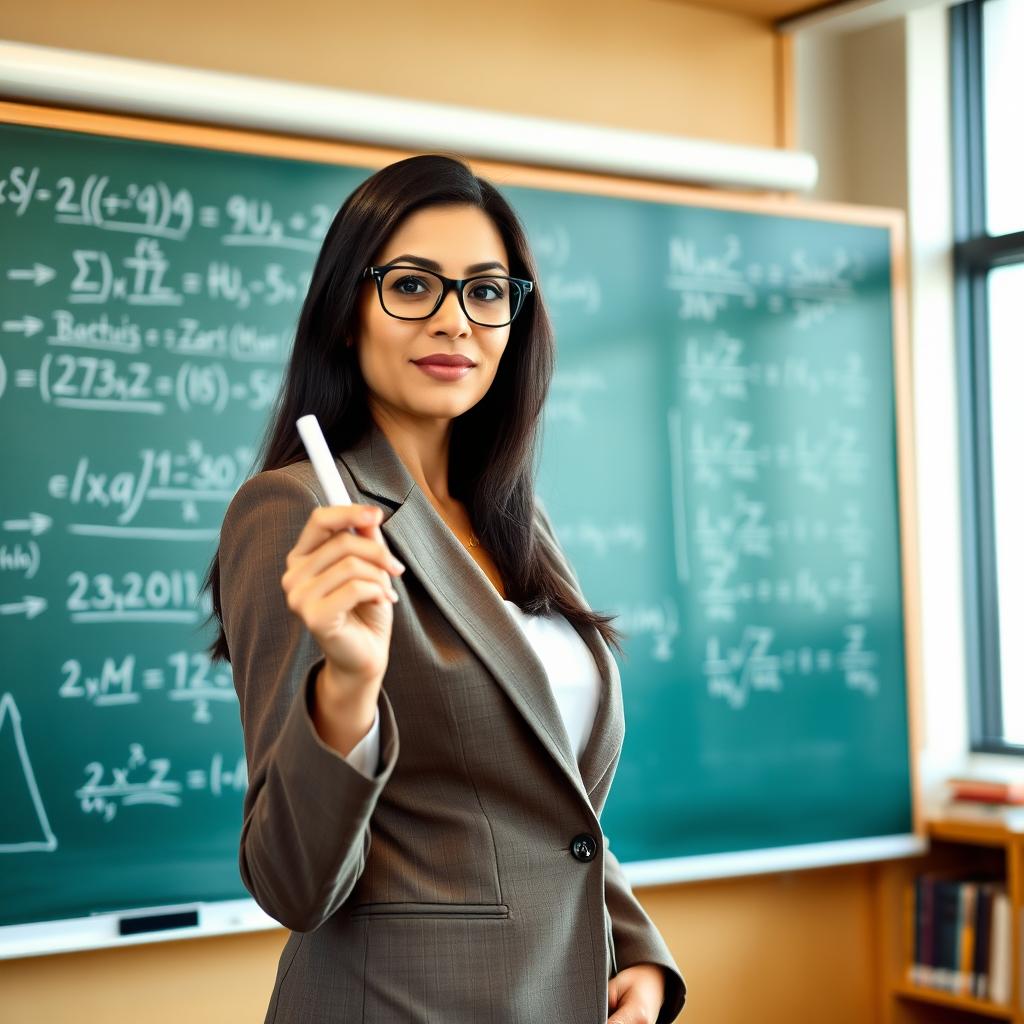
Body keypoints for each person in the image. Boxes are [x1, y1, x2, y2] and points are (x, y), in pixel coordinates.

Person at [203, 153, 687, 1023]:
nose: (456, 321)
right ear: (346, 311)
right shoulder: (296, 507)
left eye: (486, 291)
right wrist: (345, 689)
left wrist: (640, 956)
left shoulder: (511, 521)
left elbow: (552, 807)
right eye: (414, 285)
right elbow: (292, 884)